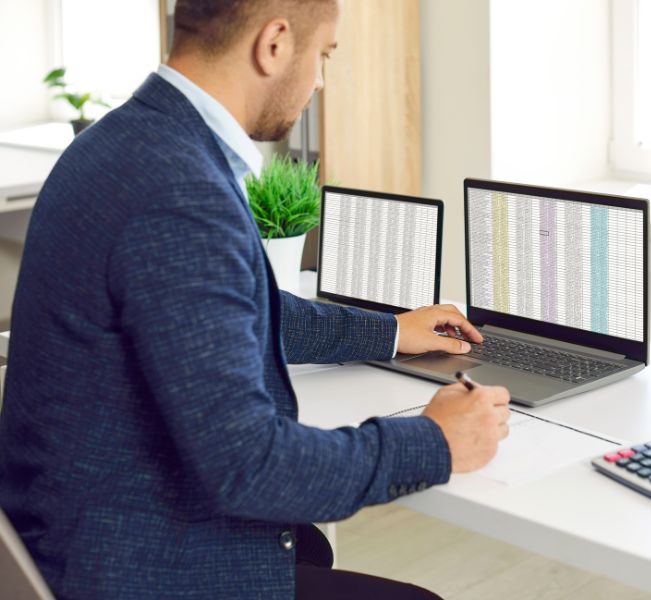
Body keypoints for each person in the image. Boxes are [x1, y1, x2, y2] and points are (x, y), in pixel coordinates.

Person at [0, 0, 511, 598]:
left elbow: (234, 305)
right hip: (129, 568)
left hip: (76, 526)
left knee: (311, 545)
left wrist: (391, 331)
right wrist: (435, 441)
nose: (319, 82)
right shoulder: (180, 191)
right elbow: (252, 468)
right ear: (273, 45)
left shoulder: (125, 140)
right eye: (321, 56)